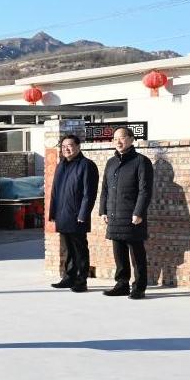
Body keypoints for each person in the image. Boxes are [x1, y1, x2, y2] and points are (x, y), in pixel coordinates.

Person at [100, 127, 154, 299]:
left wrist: (138, 212)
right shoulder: (111, 162)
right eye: (115, 139)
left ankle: (139, 287)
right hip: (114, 215)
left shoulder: (141, 161)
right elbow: (105, 189)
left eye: (122, 138)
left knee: (137, 253)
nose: (118, 141)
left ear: (131, 139)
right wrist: (103, 210)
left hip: (133, 216)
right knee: (119, 252)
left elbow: (144, 190)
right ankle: (122, 284)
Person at [49, 135, 99, 292]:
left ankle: (81, 280)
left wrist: (83, 214)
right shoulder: (61, 165)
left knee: (80, 249)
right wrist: (53, 213)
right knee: (68, 248)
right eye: (63, 146)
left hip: (77, 216)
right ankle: (69, 277)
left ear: (78, 146)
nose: (66, 149)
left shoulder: (87, 165)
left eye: (70, 145)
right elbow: (55, 191)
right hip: (63, 215)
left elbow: (89, 194)